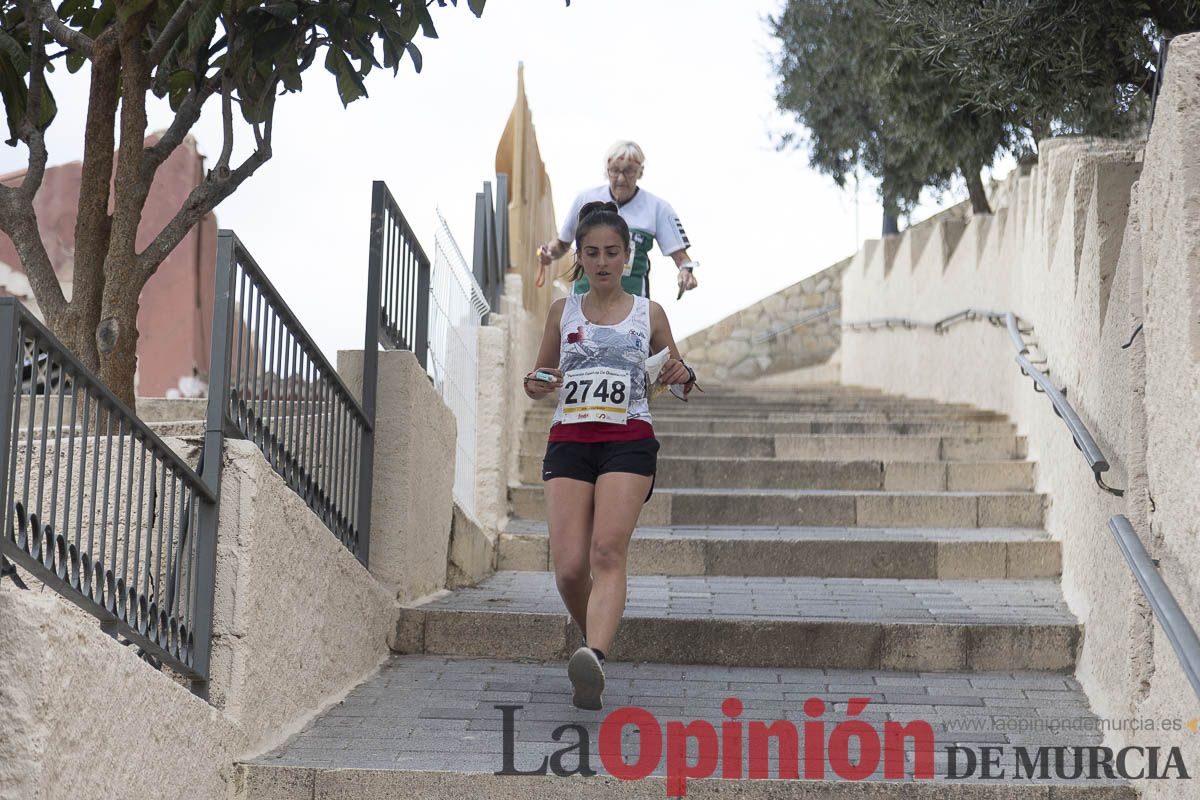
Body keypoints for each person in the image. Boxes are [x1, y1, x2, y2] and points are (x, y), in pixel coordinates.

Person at [523, 201, 696, 710]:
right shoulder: (562, 311)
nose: (602, 262)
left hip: (628, 439)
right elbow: (537, 381)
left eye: (612, 252)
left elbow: (681, 381)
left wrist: (680, 377)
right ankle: (594, 640)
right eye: (592, 252)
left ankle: (593, 656)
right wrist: (538, 382)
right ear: (579, 256)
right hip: (570, 442)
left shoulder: (651, 313)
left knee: (606, 553)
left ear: (628, 256)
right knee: (571, 569)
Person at [535, 140, 699, 299]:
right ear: (606, 170)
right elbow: (562, 244)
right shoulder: (584, 199)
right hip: (583, 300)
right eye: (614, 171)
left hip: (633, 306)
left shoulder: (658, 208)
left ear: (640, 172)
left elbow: (682, 258)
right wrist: (547, 252)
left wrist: (686, 272)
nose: (621, 179)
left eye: (628, 171)